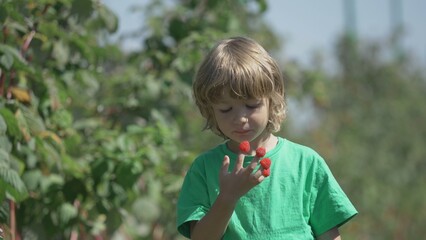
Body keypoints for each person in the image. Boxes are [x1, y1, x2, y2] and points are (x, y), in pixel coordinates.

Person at [176, 36, 357, 240]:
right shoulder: (205, 169)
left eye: (252, 105)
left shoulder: (306, 163)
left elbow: (329, 234)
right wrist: (228, 197)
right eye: (226, 109)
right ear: (210, 111)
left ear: (273, 100)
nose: (240, 118)